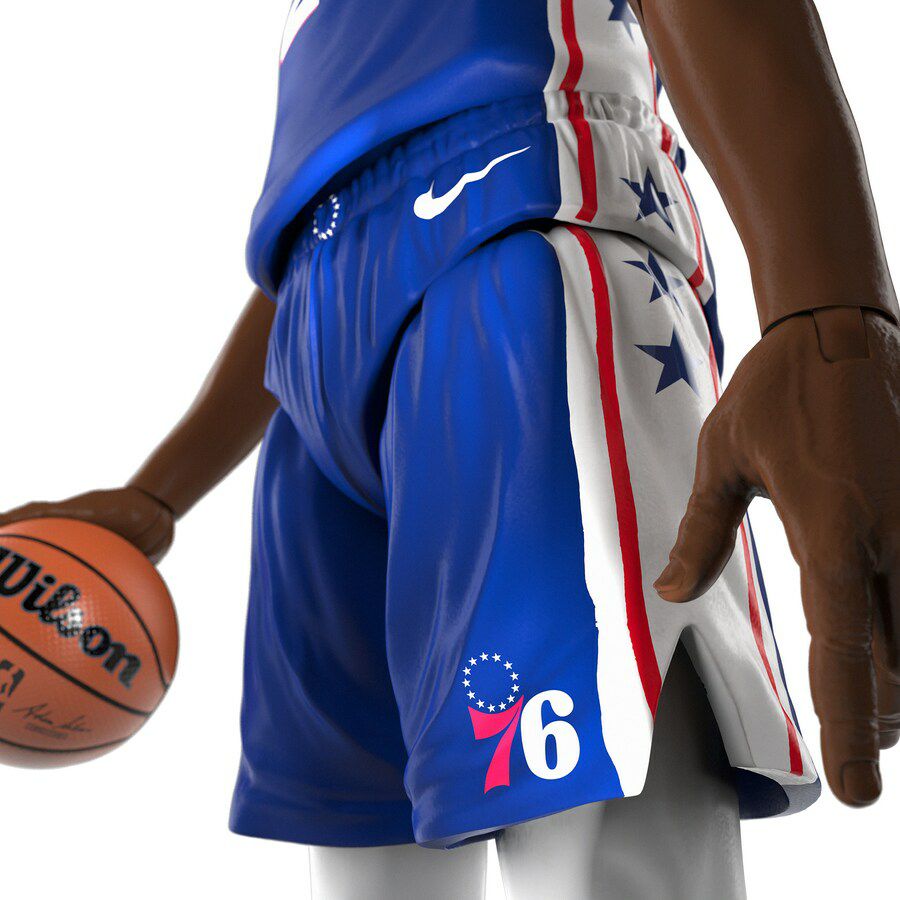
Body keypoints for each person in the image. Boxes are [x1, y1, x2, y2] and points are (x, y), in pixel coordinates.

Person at [3, 1, 898, 897]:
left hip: (522, 237)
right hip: (318, 359)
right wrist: (162, 493)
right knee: (371, 859)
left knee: (595, 811)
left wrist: (830, 309)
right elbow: (332, 224)